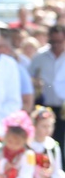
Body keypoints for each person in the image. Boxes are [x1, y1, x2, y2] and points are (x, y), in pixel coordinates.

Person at [29, 25, 65, 154]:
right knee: (42, 140)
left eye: (59, 42)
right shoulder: (40, 57)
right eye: (53, 41)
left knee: (61, 142)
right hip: (44, 104)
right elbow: (30, 76)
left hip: (62, 107)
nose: (56, 45)